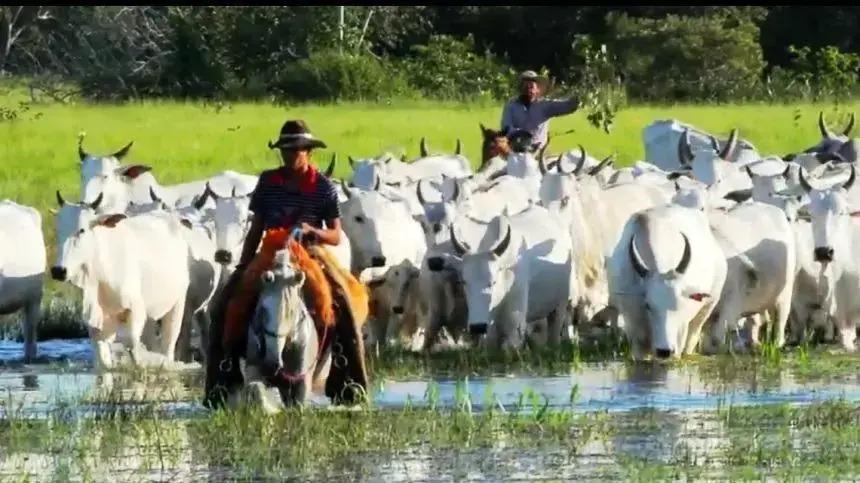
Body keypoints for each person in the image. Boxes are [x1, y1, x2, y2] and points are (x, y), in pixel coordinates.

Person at [204, 119, 368, 408]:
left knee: (342, 302)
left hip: (311, 254)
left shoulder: (324, 187)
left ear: (309, 152)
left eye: (297, 150)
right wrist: (244, 266)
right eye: (286, 150)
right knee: (223, 304)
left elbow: (335, 234)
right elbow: (257, 227)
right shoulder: (268, 182)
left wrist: (311, 231)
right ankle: (221, 377)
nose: (291, 155)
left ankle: (353, 381)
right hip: (271, 250)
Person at [500, 70, 581, 151]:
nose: (528, 90)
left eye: (531, 87)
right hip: (515, 150)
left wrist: (579, 96)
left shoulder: (545, 105)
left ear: (537, 89)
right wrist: (521, 134)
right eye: (525, 87)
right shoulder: (511, 105)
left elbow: (568, 106)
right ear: (520, 88)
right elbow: (506, 127)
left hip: (539, 151)